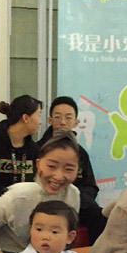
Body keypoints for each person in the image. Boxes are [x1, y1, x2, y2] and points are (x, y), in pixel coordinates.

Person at [37, 96, 107, 243]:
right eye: (57, 117)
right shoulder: (38, 149)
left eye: (68, 118)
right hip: (44, 202)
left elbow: (91, 186)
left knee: (100, 217)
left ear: (75, 122)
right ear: (49, 120)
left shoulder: (81, 153)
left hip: (77, 203)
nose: (62, 122)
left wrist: (77, 198)